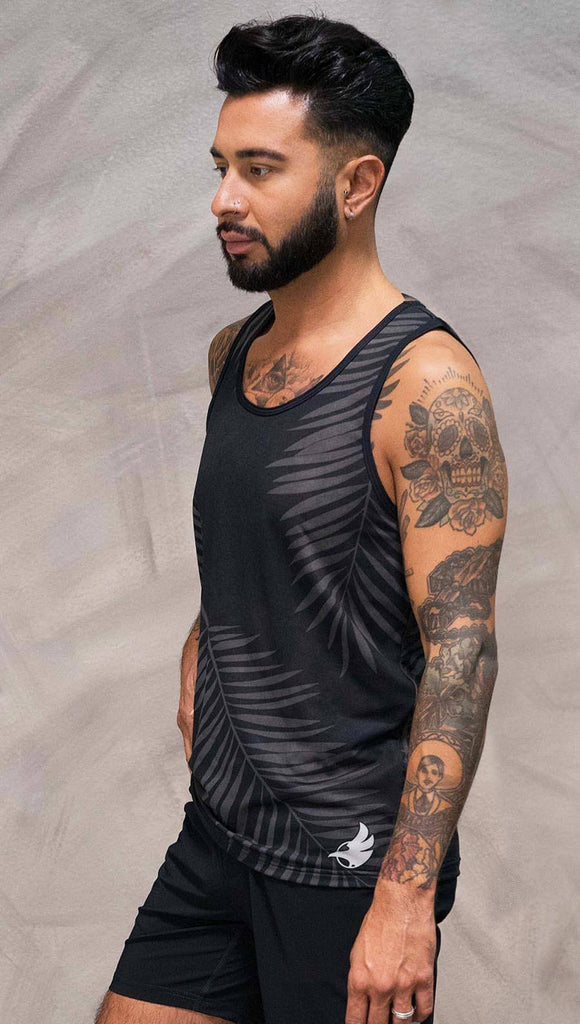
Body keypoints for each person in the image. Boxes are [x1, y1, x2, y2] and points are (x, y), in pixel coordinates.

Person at [97, 13, 508, 1024]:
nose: (223, 200)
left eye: (260, 170)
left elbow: (461, 652)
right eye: (221, 167)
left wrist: (404, 901)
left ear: (356, 184)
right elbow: (274, 550)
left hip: (349, 867)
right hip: (221, 834)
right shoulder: (234, 352)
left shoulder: (428, 386)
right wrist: (204, 644)